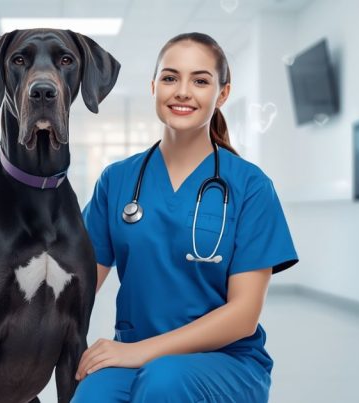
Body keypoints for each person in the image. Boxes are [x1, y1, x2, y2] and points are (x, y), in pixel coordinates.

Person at [71, 32, 299, 402]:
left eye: (200, 81)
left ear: (222, 94)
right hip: (135, 357)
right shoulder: (117, 180)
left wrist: (139, 352)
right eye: (170, 78)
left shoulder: (251, 186)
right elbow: (76, 288)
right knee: (91, 394)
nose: (182, 92)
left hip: (225, 362)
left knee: (164, 380)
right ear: (153, 87)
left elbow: (244, 315)